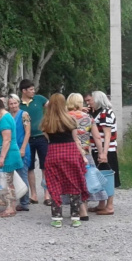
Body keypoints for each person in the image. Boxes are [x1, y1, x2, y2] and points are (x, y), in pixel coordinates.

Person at [40, 93, 88, 228]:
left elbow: (48, 140)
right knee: (74, 184)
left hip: (54, 153)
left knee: (54, 185)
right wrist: (83, 156)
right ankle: (75, 217)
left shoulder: (46, 122)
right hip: (70, 153)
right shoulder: (71, 120)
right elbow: (76, 140)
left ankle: (56, 217)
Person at [66, 93, 106, 221]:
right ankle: (85, 206)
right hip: (85, 153)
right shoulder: (88, 117)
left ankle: (75, 206)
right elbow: (97, 137)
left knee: (72, 180)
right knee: (86, 180)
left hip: (69, 153)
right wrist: (101, 153)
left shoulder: (64, 117)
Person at [0, 98, 24, 217]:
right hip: (10, 153)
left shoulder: (4, 120)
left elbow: (7, 139)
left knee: (8, 182)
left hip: (9, 155)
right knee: (9, 181)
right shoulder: (9, 117)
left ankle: (10, 208)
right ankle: (11, 206)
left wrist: (2, 157)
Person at [87, 90, 119, 215]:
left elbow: (107, 135)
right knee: (100, 176)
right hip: (97, 149)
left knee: (108, 177)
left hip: (108, 149)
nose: (89, 103)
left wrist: (104, 153)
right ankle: (101, 203)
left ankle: (109, 205)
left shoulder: (106, 113)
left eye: (91, 100)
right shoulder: (97, 113)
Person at [19, 79, 50, 205]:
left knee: (45, 167)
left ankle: (47, 195)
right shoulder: (18, 104)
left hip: (42, 137)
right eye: (30, 89)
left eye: (33, 89)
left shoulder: (40, 99)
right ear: (24, 91)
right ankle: (34, 194)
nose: (33, 91)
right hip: (27, 140)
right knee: (29, 167)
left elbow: (54, 107)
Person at [7, 94, 31, 212]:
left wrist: (23, 148)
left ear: (18, 103)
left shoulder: (24, 114)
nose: (13, 106)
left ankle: (25, 202)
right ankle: (13, 200)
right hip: (11, 148)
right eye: (11, 104)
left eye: (15, 103)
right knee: (11, 176)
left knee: (22, 174)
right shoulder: (8, 116)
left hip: (22, 147)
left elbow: (28, 132)